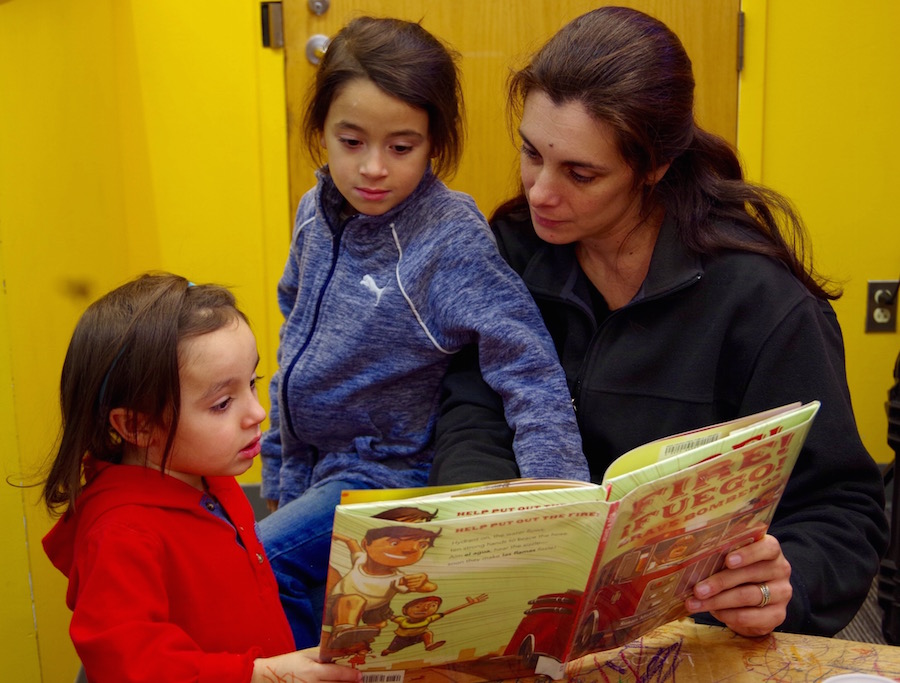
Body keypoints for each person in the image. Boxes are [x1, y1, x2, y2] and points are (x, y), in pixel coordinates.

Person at [429, 6, 889, 639]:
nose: (538, 192)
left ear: (654, 167)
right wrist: (477, 522)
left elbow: (843, 507)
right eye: (531, 154)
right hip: (530, 603)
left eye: (580, 173)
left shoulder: (761, 302)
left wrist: (788, 581)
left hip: (701, 622)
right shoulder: (513, 250)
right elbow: (472, 408)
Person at [258, 16, 588, 648]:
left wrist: (562, 498)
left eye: (401, 147)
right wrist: (276, 472)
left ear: (435, 141)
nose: (373, 168)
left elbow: (526, 362)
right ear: (320, 131)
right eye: (350, 141)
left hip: (387, 477)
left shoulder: (449, 238)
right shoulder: (314, 211)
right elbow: (293, 337)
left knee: (257, 568)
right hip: (308, 466)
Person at [40, 273, 359, 683]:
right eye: (223, 403)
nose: (257, 413)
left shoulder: (208, 477)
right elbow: (131, 668)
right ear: (137, 426)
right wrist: (260, 674)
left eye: (252, 384)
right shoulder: (121, 535)